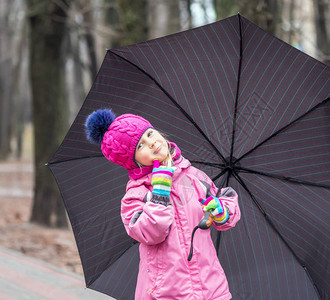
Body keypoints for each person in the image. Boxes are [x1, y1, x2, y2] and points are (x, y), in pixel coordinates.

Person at [85, 108, 240, 300]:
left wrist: (220, 211)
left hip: (210, 286)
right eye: (140, 145)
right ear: (133, 162)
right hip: (166, 292)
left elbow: (224, 201)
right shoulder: (136, 194)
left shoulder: (193, 177)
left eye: (149, 134)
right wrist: (160, 192)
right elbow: (150, 233)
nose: (151, 142)